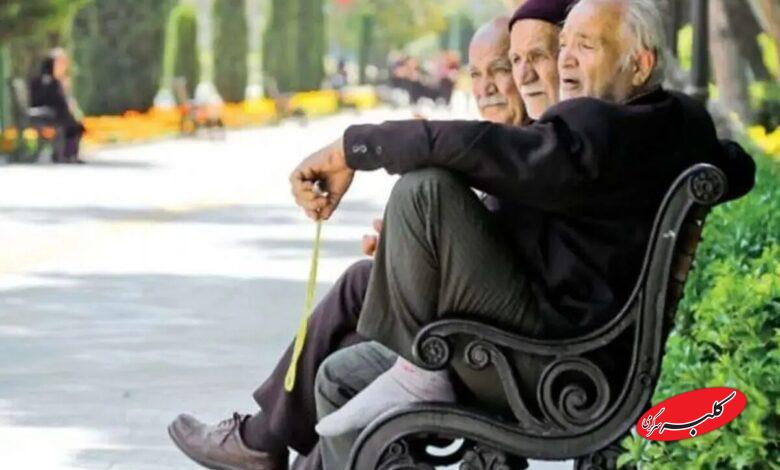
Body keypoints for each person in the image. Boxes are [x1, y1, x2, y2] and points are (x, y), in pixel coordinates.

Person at [294, 0, 755, 467]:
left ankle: (420, 373)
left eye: (586, 46)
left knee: (425, 189)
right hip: (560, 356)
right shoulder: (670, 122)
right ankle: (413, 375)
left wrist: (356, 147)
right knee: (340, 376)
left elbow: (492, 149)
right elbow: (739, 165)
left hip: (555, 368)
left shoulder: (604, 128)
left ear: (640, 64)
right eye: (564, 45)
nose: (566, 59)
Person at [167, 15, 527, 470]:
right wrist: (413, 255)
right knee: (355, 313)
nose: (487, 86)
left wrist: (352, 155)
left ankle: (261, 439)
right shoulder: (519, 144)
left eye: (502, 68)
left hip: (509, 358)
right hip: (483, 339)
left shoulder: (534, 145)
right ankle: (265, 442)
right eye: (476, 74)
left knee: (344, 356)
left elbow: (512, 263)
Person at [29, 48, 85, 164]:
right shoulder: (48, 80)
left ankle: (68, 154)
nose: (64, 66)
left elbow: (63, 101)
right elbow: (55, 100)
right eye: (61, 62)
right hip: (47, 114)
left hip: (53, 113)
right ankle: (67, 155)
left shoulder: (52, 79)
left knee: (75, 125)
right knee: (72, 125)